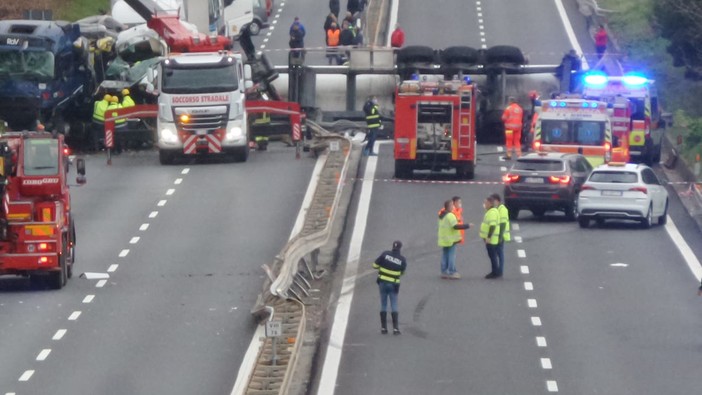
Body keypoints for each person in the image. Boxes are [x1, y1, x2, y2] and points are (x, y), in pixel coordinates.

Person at [372, 240, 407, 335]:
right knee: (394, 304)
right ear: (400, 248)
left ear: (392, 246)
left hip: (382, 282)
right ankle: (395, 329)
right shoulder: (402, 259)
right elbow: (402, 272)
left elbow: (374, 265)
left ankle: (383, 328)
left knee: (383, 304)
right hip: (394, 284)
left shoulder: (385, 254)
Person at [438, 199, 472, 279]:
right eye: (452, 205)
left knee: (445, 255)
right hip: (451, 239)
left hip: (444, 239)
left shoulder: (442, 215)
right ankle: (451, 271)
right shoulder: (450, 215)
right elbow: (456, 226)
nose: (453, 207)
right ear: (449, 206)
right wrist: (467, 225)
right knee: (451, 256)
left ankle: (444, 271)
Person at [490, 193, 511, 277]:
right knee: (497, 253)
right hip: (496, 235)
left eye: (493, 201)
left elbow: (502, 224)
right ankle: (498, 270)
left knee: (500, 253)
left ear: (498, 201)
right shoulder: (496, 209)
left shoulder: (502, 209)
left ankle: (500, 270)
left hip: (500, 235)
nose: (492, 202)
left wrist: (500, 236)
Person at [480, 196, 501, 279]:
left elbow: (492, 226)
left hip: (491, 239)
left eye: (485, 203)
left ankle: (495, 272)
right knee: (493, 255)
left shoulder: (492, 212)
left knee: (492, 256)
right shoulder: (491, 211)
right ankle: (496, 271)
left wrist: (488, 237)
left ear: (490, 203)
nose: (484, 204)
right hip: (492, 238)